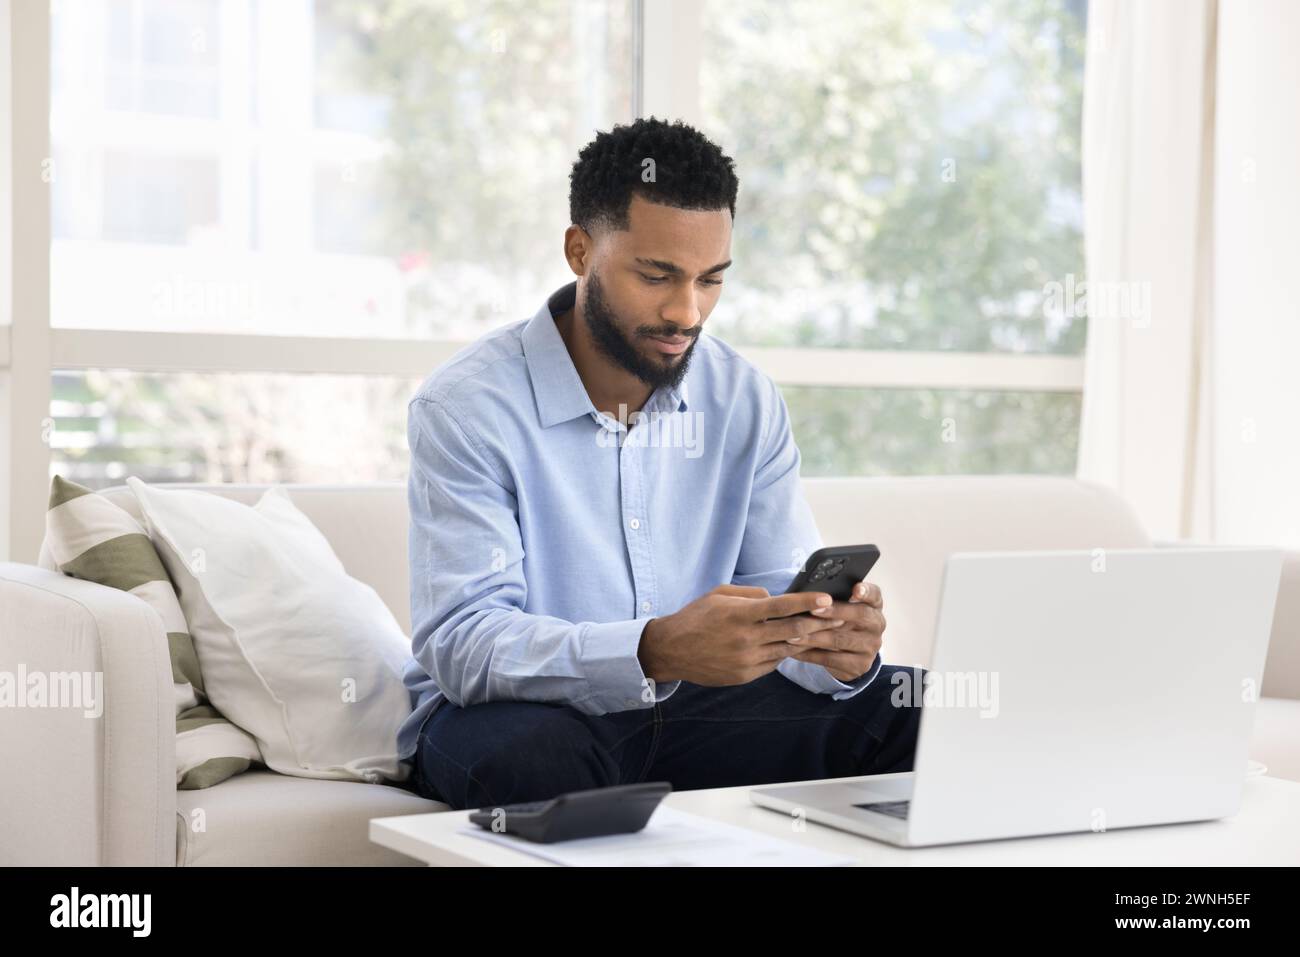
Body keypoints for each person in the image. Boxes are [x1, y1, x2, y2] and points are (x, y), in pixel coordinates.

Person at [396, 116, 922, 810]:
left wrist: (835, 649)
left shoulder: (744, 400)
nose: (687, 311)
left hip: (697, 714)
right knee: (534, 761)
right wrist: (652, 649)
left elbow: (779, 598)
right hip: (524, 716)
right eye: (656, 275)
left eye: (711, 280)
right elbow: (465, 644)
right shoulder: (468, 406)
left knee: (933, 714)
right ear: (580, 250)